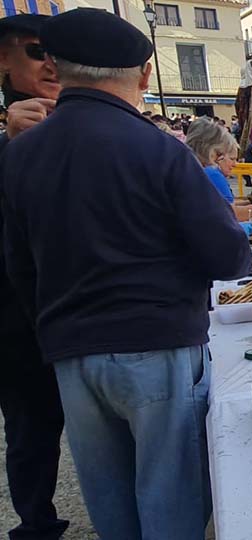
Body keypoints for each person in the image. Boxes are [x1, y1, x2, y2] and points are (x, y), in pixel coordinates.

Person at [0, 9, 252, 539]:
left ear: (56, 66)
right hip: (155, 342)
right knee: (169, 492)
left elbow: (20, 266)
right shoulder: (158, 147)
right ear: (142, 74)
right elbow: (227, 256)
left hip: (72, 350)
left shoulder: (20, 154)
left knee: (109, 493)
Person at [0, 14, 70, 540]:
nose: (50, 62)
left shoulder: (90, 115)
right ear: (3, 60)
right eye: (34, 51)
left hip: (85, 304)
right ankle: (36, 525)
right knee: (32, 427)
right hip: (17, 315)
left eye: (58, 52)